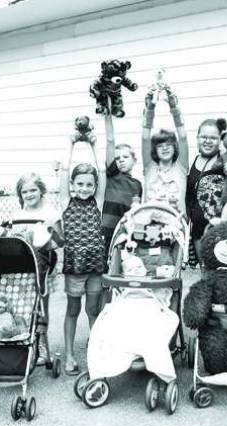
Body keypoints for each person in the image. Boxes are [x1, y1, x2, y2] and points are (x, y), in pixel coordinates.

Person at [0, 173, 63, 366]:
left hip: (43, 264)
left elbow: (60, 241)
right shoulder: (16, 216)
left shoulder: (51, 212)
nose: (29, 194)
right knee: (21, 306)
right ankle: (22, 342)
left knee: (41, 305)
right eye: (24, 191)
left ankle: (42, 346)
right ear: (20, 194)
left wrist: (51, 232)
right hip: (20, 265)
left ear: (41, 191)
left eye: (33, 190)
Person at [59, 136, 107, 376]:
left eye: (89, 184)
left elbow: (103, 172)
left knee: (93, 310)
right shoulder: (66, 202)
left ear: (95, 187)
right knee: (72, 310)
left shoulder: (97, 203)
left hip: (96, 266)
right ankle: (68, 355)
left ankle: (95, 354)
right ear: (72, 185)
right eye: (80, 184)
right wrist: (71, 145)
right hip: (75, 266)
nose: (84, 188)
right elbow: (66, 169)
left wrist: (93, 145)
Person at [141, 85, 189, 215]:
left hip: (176, 227)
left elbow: (183, 137)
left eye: (168, 144)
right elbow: (145, 138)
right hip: (150, 227)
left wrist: (174, 108)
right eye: (160, 146)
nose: (165, 148)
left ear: (174, 147)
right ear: (155, 150)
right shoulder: (150, 167)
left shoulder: (181, 168)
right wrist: (150, 108)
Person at [101, 114, 142, 258]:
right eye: (117, 158)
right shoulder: (112, 176)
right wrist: (107, 115)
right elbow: (110, 140)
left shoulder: (137, 185)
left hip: (124, 235)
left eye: (125, 157)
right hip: (105, 232)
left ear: (134, 160)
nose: (121, 161)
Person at [186, 118, 226, 264]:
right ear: (197, 138)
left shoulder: (225, 161)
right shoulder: (194, 161)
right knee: (205, 273)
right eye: (204, 137)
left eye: (213, 138)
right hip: (198, 232)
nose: (208, 141)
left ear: (220, 140)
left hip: (219, 231)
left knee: (221, 274)